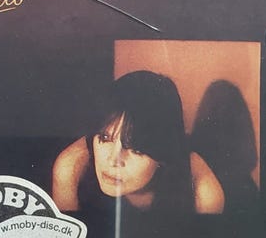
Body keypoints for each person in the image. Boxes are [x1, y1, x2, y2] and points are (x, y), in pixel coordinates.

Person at [52, 71, 224, 215]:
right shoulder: (71, 167)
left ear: (164, 153)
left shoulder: (204, 193)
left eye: (136, 149)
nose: (113, 160)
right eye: (105, 138)